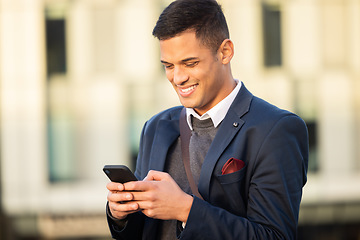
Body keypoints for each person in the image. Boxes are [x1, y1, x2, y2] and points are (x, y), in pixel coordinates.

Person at [106, 0, 309, 239]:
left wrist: (186, 209)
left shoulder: (275, 130)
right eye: (168, 66)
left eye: (189, 63)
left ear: (225, 52)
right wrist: (121, 214)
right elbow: (145, 231)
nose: (178, 78)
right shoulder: (155, 127)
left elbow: (275, 236)